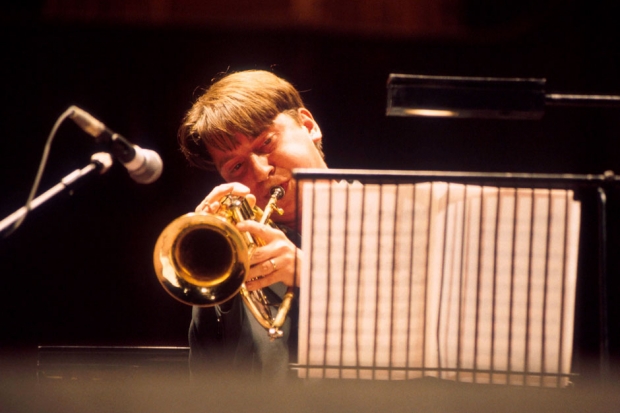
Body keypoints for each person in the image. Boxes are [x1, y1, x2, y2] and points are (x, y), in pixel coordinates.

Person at [177, 69, 328, 381]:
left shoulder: (396, 215)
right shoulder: (240, 250)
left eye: (266, 142)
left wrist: (318, 277)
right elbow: (207, 387)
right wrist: (212, 262)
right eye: (236, 166)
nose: (260, 171)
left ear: (309, 126)